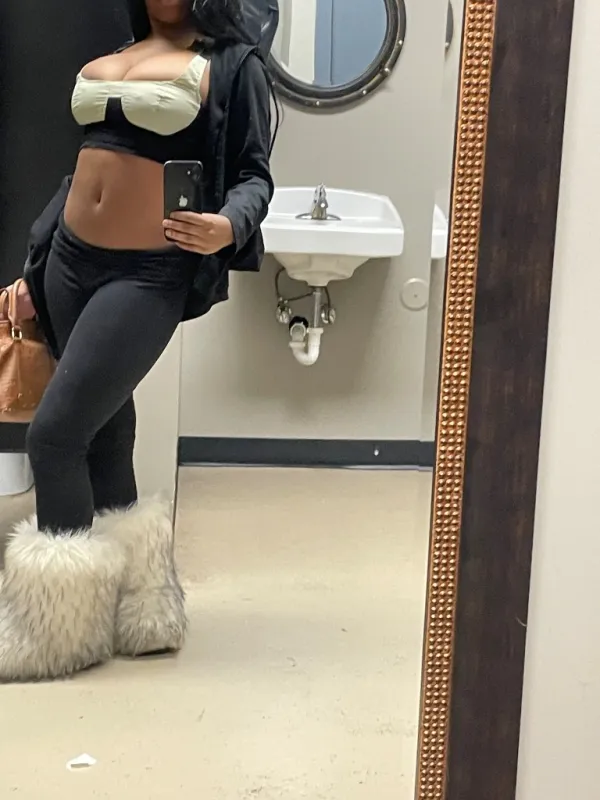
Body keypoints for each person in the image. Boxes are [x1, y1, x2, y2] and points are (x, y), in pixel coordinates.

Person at [0, 0, 277, 682]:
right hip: (68, 260)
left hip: (146, 271)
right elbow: (84, 167)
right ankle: (142, 610)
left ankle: (57, 630)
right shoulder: (123, 50)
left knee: (54, 438)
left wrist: (228, 225)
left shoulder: (230, 63)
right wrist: (35, 263)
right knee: (106, 432)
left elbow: (254, 174)